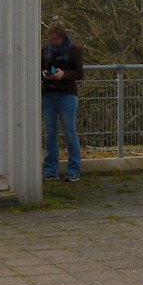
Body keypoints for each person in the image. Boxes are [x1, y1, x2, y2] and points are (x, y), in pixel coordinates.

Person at [41, 21, 84, 182]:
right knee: (50, 133)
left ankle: (74, 169)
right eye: (52, 39)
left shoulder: (74, 51)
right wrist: (45, 75)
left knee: (70, 132)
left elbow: (79, 73)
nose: (54, 42)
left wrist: (63, 74)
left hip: (67, 95)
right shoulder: (45, 51)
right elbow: (38, 70)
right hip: (49, 94)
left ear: (62, 37)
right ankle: (51, 169)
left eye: (57, 39)